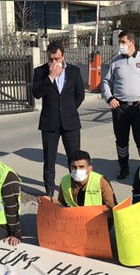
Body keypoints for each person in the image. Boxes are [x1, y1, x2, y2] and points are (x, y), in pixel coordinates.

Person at [101, 30, 140, 181]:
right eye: (119, 42)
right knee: (121, 140)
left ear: (132, 42)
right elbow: (105, 82)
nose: (121, 45)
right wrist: (109, 98)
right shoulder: (115, 62)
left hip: (139, 107)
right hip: (120, 107)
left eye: (123, 42)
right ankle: (123, 167)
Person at [32, 40, 85, 197]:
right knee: (49, 159)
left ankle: (76, 189)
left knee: (74, 159)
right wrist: (51, 77)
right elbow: (36, 93)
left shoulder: (74, 71)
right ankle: (49, 190)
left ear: (63, 56)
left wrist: (68, 109)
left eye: (57, 59)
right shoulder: (40, 72)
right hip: (50, 123)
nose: (54, 62)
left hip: (70, 122)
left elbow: (79, 95)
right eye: (51, 59)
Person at [42, 150, 117, 210]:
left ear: (90, 168)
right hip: (75, 221)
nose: (77, 170)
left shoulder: (101, 181)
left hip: (98, 222)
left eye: (81, 167)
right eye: (74, 167)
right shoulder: (65, 181)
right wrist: (50, 200)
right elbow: (62, 204)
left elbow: (112, 207)